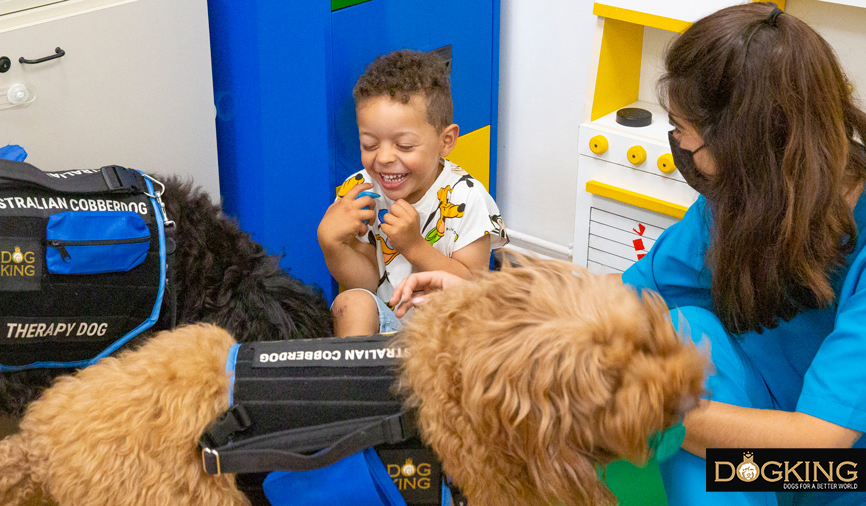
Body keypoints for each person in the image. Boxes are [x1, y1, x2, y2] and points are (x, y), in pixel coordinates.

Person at [392, 4, 866, 505]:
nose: (677, 142)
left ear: (745, 146)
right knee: (684, 331)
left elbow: (820, 445)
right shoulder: (742, 205)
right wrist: (485, 294)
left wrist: (630, 409)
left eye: (684, 131)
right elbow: (624, 296)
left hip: (830, 471)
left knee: (673, 401)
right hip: (762, 413)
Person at [318, 49, 508, 338]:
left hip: (449, 331)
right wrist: (331, 243)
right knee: (350, 303)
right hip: (390, 325)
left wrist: (414, 246)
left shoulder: (467, 197)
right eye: (369, 144)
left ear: (446, 141)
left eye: (404, 146)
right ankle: (355, 381)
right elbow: (369, 281)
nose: (383, 158)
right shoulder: (362, 189)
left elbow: (473, 292)